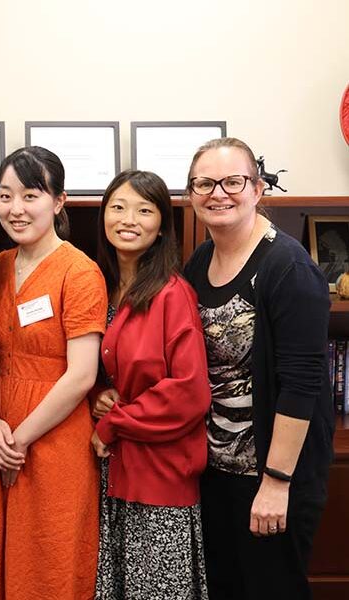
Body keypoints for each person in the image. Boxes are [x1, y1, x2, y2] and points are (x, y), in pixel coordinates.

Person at [183, 137, 334, 600]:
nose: (218, 193)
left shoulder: (287, 266)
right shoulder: (200, 261)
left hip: (272, 475)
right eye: (205, 183)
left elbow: (302, 381)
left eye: (233, 181)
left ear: (257, 188)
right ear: (191, 195)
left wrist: (275, 483)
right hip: (218, 472)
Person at [0, 146, 106, 600]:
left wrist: (21, 437)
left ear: (58, 201)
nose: (15, 209)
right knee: (5, 555)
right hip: (0, 434)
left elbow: (81, 376)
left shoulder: (80, 272)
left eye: (30, 195)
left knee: (50, 559)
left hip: (54, 437)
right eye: (5, 195)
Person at [90, 170, 211, 599]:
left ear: (162, 226)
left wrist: (111, 422)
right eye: (118, 207)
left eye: (145, 210)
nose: (129, 219)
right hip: (115, 471)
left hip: (159, 476)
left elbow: (189, 392)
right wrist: (99, 394)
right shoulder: (104, 286)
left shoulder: (172, 294)